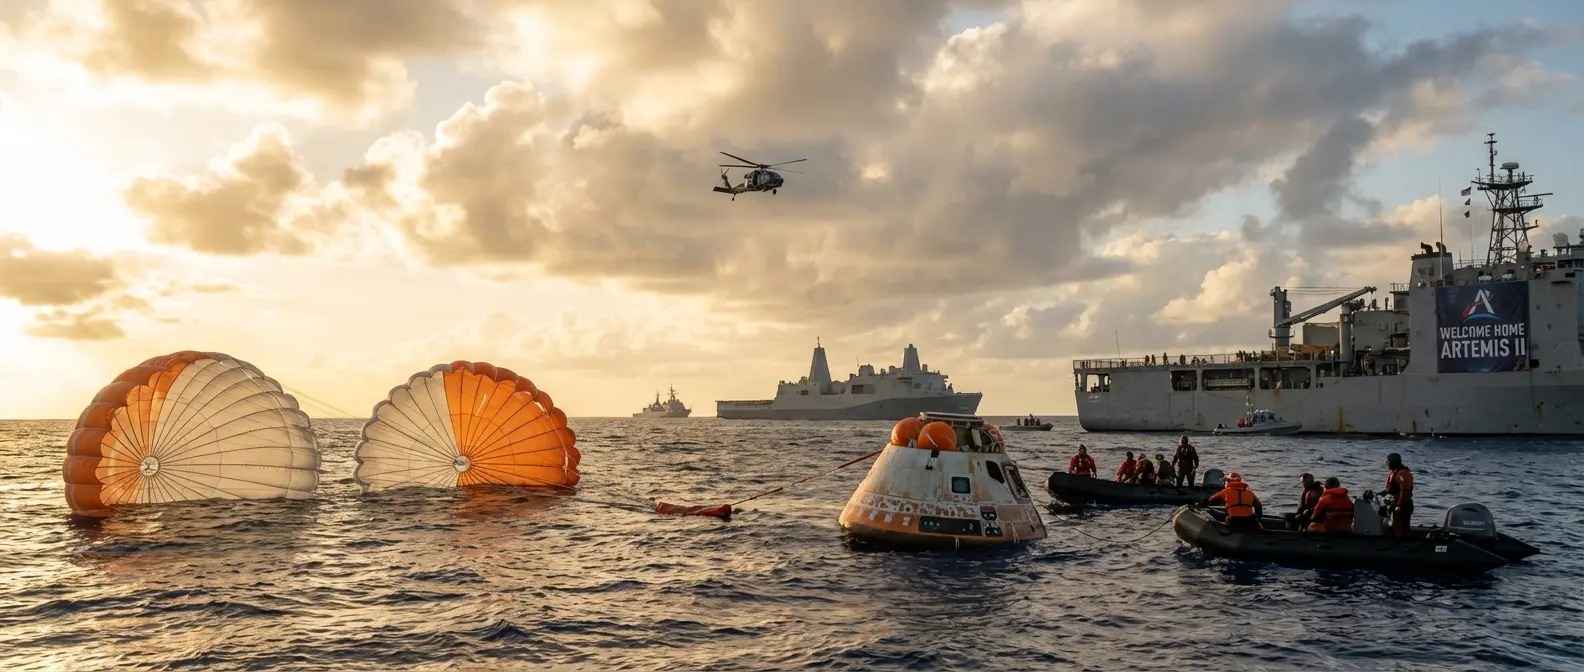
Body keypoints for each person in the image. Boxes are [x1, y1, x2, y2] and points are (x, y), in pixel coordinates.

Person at [1378, 452, 1414, 538]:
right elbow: (1390, 490)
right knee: (1393, 524)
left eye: (1389, 462)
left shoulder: (1403, 474)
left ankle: (1400, 542)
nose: (1387, 464)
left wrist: (1399, 506)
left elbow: (1404, 491)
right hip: (1393, 503)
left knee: (1399, 523)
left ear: (1394, 462)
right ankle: (1394, 537)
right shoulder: (1393, 473)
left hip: (1402, 504)